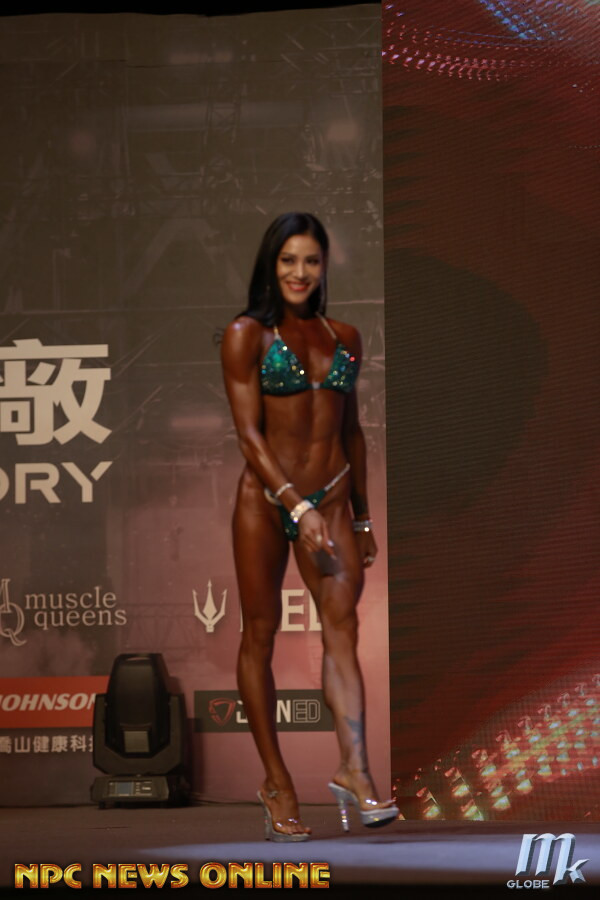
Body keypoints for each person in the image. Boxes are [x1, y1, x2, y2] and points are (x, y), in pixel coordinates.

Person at [221, 212, 398, 841]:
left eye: (312, 261)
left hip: (333, 497)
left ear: (324, 267)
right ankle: (276, 782)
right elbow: (249, 436)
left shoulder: (344, 336)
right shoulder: (246, 334)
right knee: (260, 635)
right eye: (289, 260)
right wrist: (296, 507)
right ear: (272, 265)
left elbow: (353, 432)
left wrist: (363, 515)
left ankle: (355, 769)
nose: (300, 272)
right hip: (267, 502)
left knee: (342, 628)